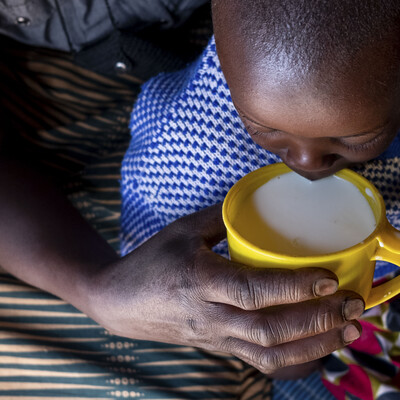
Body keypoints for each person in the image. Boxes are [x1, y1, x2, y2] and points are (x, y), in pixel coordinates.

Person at [120, 0, 400, 398]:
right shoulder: (185, 151)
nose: (305, 161)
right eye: (265, 128)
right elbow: (150, 259)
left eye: (352, 139)